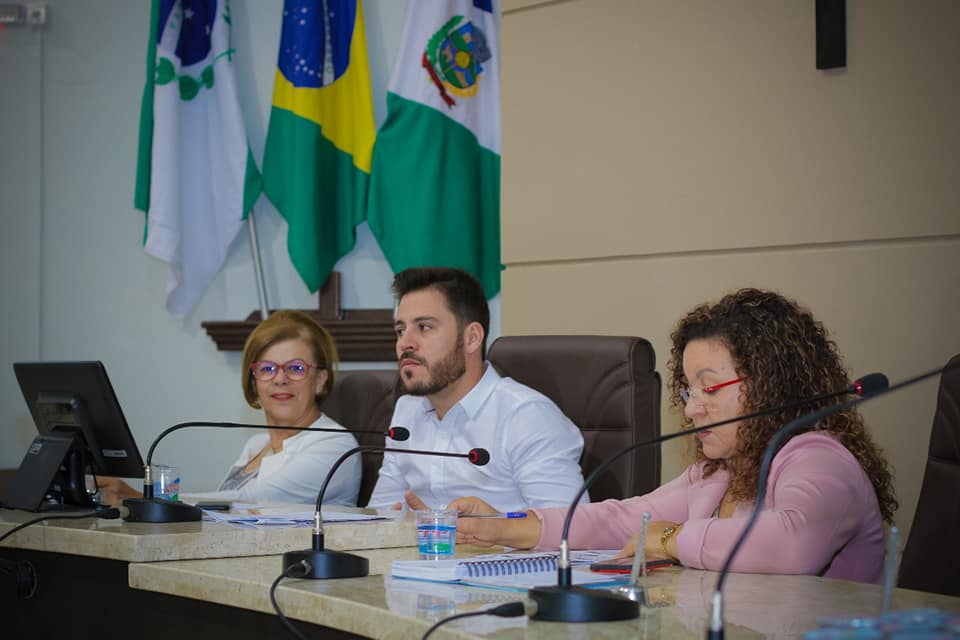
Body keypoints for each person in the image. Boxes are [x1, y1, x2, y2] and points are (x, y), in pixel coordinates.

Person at [454, 288, 897, 584]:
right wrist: (506, 526)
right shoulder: (717, 473)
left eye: (710, 388)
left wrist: (670, 539)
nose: (691, 408)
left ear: (771, 386)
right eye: (688, 390)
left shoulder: (818, 458)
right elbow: (621, 519)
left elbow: (792, 545)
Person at [366, 267, 588, 512]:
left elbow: (570, 527)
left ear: (472, 338)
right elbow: (380, 514)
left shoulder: (526, 416)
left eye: (424, 327)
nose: (405, 343)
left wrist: (491, 528)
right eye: (400, 330)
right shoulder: (407, 411)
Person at [97, 310, 361, 506]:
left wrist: (140, 499)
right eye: (267, 369)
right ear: (254, 381)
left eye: (296, 368)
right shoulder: (257, 445)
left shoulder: (335, 447)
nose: (280, 379)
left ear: (320, 380)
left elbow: (248, 503)